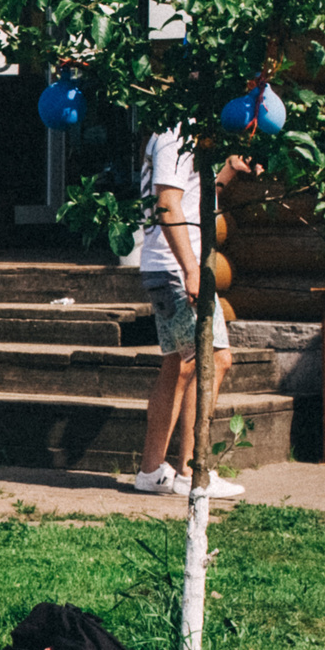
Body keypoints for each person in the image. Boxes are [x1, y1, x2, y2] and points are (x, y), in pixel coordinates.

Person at [130, 126, 245, 498]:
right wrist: (192, 269)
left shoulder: (194, 133)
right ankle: (191, 472)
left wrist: (229, 170)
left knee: (179, 364)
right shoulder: (174, 134)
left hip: (172, 267)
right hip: (175, 267)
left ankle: (151, 471)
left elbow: (196, 199)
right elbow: (167, 203)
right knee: (215, 358)